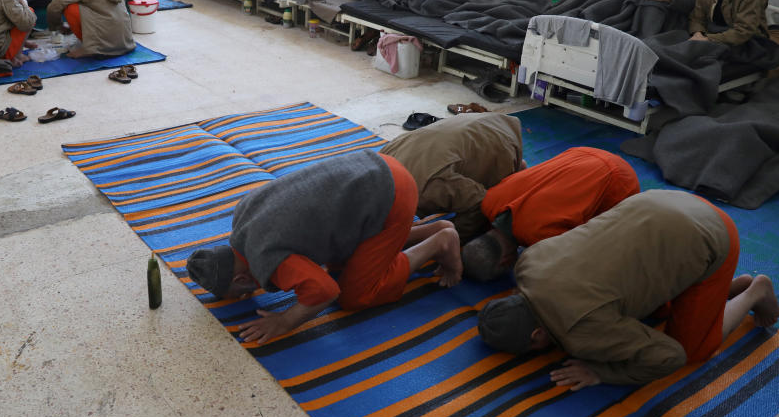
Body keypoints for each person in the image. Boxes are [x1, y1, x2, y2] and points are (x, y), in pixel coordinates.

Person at [477, 190, 779, 389]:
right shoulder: (527, 264)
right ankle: (725, 289)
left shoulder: (581, 335)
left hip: (714, 234)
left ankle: (755, 291)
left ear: (536, 336)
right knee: (649, 305)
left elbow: (668, 356)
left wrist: (601, 373)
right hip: (660, 202)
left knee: (693, 350)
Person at [186, 150, 466, 345]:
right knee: (340, 265)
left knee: (355, 295)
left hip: (391, 196)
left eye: (237, 293)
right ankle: (433, 229)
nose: (241, 298)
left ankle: (440, 242)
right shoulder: (242, 217)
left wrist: (283, 322)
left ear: (241, 278)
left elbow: (325, 292)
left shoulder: (268, 258)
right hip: (372, 165)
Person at [462, 147, 639, 281]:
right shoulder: (490, 201)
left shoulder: (543, 239)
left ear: (505, 262)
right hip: (581, 153)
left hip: (620, 178)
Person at [380, 113, 524, 241]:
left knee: (496, 202)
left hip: (501, 138)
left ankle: (516, 171)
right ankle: (518, 170)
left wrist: (454, 237)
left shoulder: (431, 187)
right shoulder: (381, 159)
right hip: (477, 121)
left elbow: (480, 202)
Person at [46, 0, 135, 58]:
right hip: (126, 42)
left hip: (104, 47)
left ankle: (90, 48)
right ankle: (96, 44)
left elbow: (53, 7)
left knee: (70, 7)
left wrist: (58, 27)